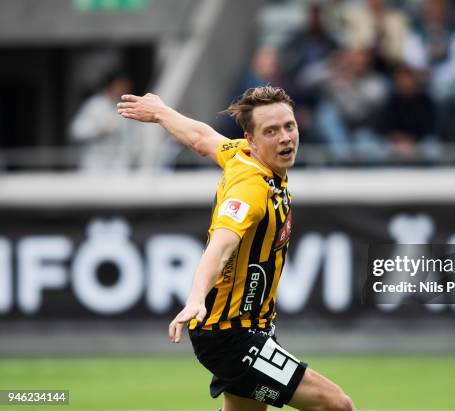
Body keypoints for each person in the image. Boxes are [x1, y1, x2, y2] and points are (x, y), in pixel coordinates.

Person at [117, 86, 354, 411]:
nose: (285, 138)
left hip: (246, 328)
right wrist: (196, 297)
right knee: (336, 405)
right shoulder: (250, 190)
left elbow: (201, 138)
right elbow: (221, 244)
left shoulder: (241, 154)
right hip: (231, 335)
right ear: (252, 139)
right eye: (271, 131)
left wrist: (160, 112)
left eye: (289, 126)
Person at [70, 70, 134, 170]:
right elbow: (76, 131)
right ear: (111, 86)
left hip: (118, 166)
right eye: (120, 86)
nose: (123, 90)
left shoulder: (127, 107)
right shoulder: (95, 105)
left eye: (125, 87)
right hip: (94, 164)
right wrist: (99, 129)